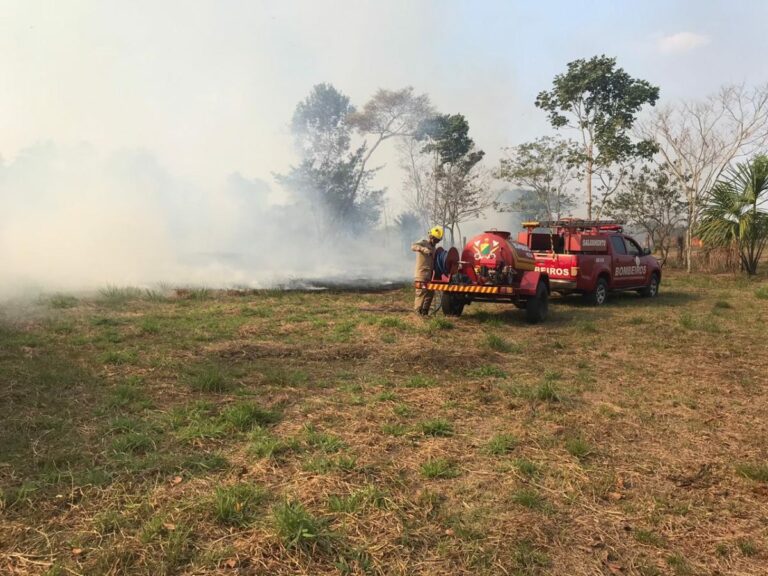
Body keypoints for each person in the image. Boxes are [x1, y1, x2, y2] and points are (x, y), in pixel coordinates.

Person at [411, 226, 443, 315]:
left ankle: (424, 313)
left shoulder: (434, 248)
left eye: (438, 241)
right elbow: (413, 246)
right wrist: (424, 249)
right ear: (431, 236)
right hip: (421, 274)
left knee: (430, 294)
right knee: (421, 293)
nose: (436, 242)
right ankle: (417, 314)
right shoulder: (423, 243)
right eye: (435, 239)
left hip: (430, 275)